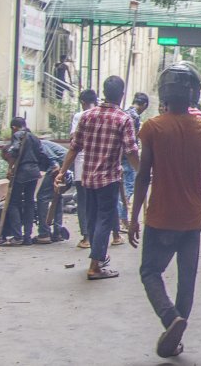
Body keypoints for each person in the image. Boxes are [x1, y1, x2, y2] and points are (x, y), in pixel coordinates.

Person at [129, 61, 201, 359]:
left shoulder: (152, 128)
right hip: (192, 220)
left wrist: (132, 218)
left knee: (149, 271)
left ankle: (171, 320)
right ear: (194, 93)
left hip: (159, 218)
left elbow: (143, 176)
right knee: (187, 278)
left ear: (164, 92)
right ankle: (177, 327)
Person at [56, 75, 139, 280]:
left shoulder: (87, 115)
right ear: (121, 95)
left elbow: (74, 147)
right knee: (104, 219)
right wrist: (143, 173)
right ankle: (95, 265)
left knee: (93, 219)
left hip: (87, 177)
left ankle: (97, 257)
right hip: (108, 179)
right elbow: (131, 151)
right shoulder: (123, 119)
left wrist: (61, 171)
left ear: (103, 92)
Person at [0, 117, 55, 245]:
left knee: (14, 203)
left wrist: (10, 169)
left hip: (22, 172)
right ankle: (27, 236)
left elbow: (13, 151)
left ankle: (17, 236)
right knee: (29, 203)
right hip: (34, 172)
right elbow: (42, 155)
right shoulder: (35, 138)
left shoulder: (18, 134)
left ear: (14, 127)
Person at [70, 89, 98, 248]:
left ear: (82, 102)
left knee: (83, 201)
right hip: (99, 165)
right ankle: (100, 235)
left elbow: (73, 139)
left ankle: (86, 237)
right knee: (97, 201)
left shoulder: (80, 116)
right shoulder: (103, 114)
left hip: (82, 165)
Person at [121, 93, 150, 232]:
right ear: (144, 105)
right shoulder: (135, 117)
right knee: (129, 186)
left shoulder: (123, 112)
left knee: (122, 188)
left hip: (119, 155)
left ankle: (121, 217)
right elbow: (132, 141)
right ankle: (123, 217)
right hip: (128, 156)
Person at [35, 138, 71, 244]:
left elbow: (53, 160)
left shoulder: (38, 143)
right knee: (57, 196)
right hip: (65, 165)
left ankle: (44, 233)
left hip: (59, 165)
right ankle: (58, 232)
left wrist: (57, 170)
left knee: (42, 197)